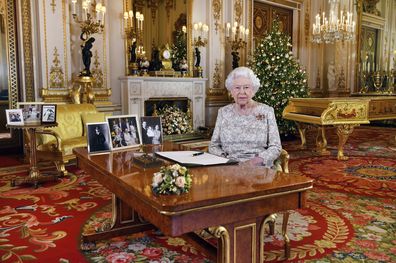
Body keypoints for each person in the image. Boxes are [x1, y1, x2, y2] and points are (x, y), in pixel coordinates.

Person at [209, 67, 282, 168]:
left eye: (246, 87)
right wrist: (225, 159)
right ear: (231, 90)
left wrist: (257, 160)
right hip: (230, 167)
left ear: (253, 89)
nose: (242, 92)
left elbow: (276, 147)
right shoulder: (223, 112)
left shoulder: (266, 111)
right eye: (237, 88)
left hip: (259, 167)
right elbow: (213, 146)